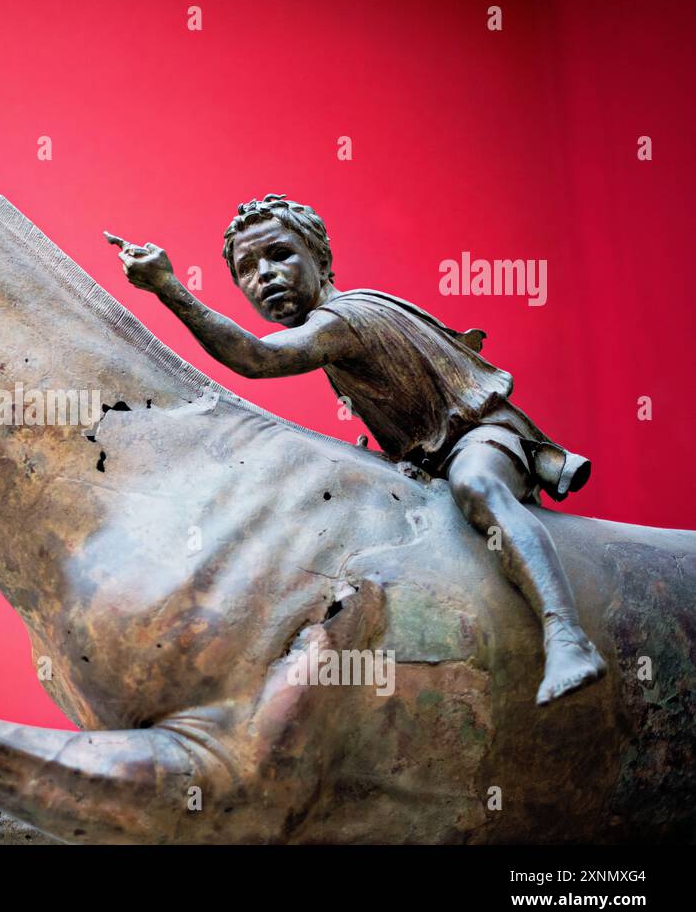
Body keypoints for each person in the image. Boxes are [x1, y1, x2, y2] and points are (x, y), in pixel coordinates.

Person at [105, 194, 605, 704]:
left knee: (475, 484)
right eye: (248, 269)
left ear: (320, 260)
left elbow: (256, 359)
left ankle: (567, 635)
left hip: (482, 438)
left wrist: (169, 288)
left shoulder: (341, 320)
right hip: (428, 461)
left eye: (279, 255)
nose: (266, 276)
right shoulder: (330, 329)